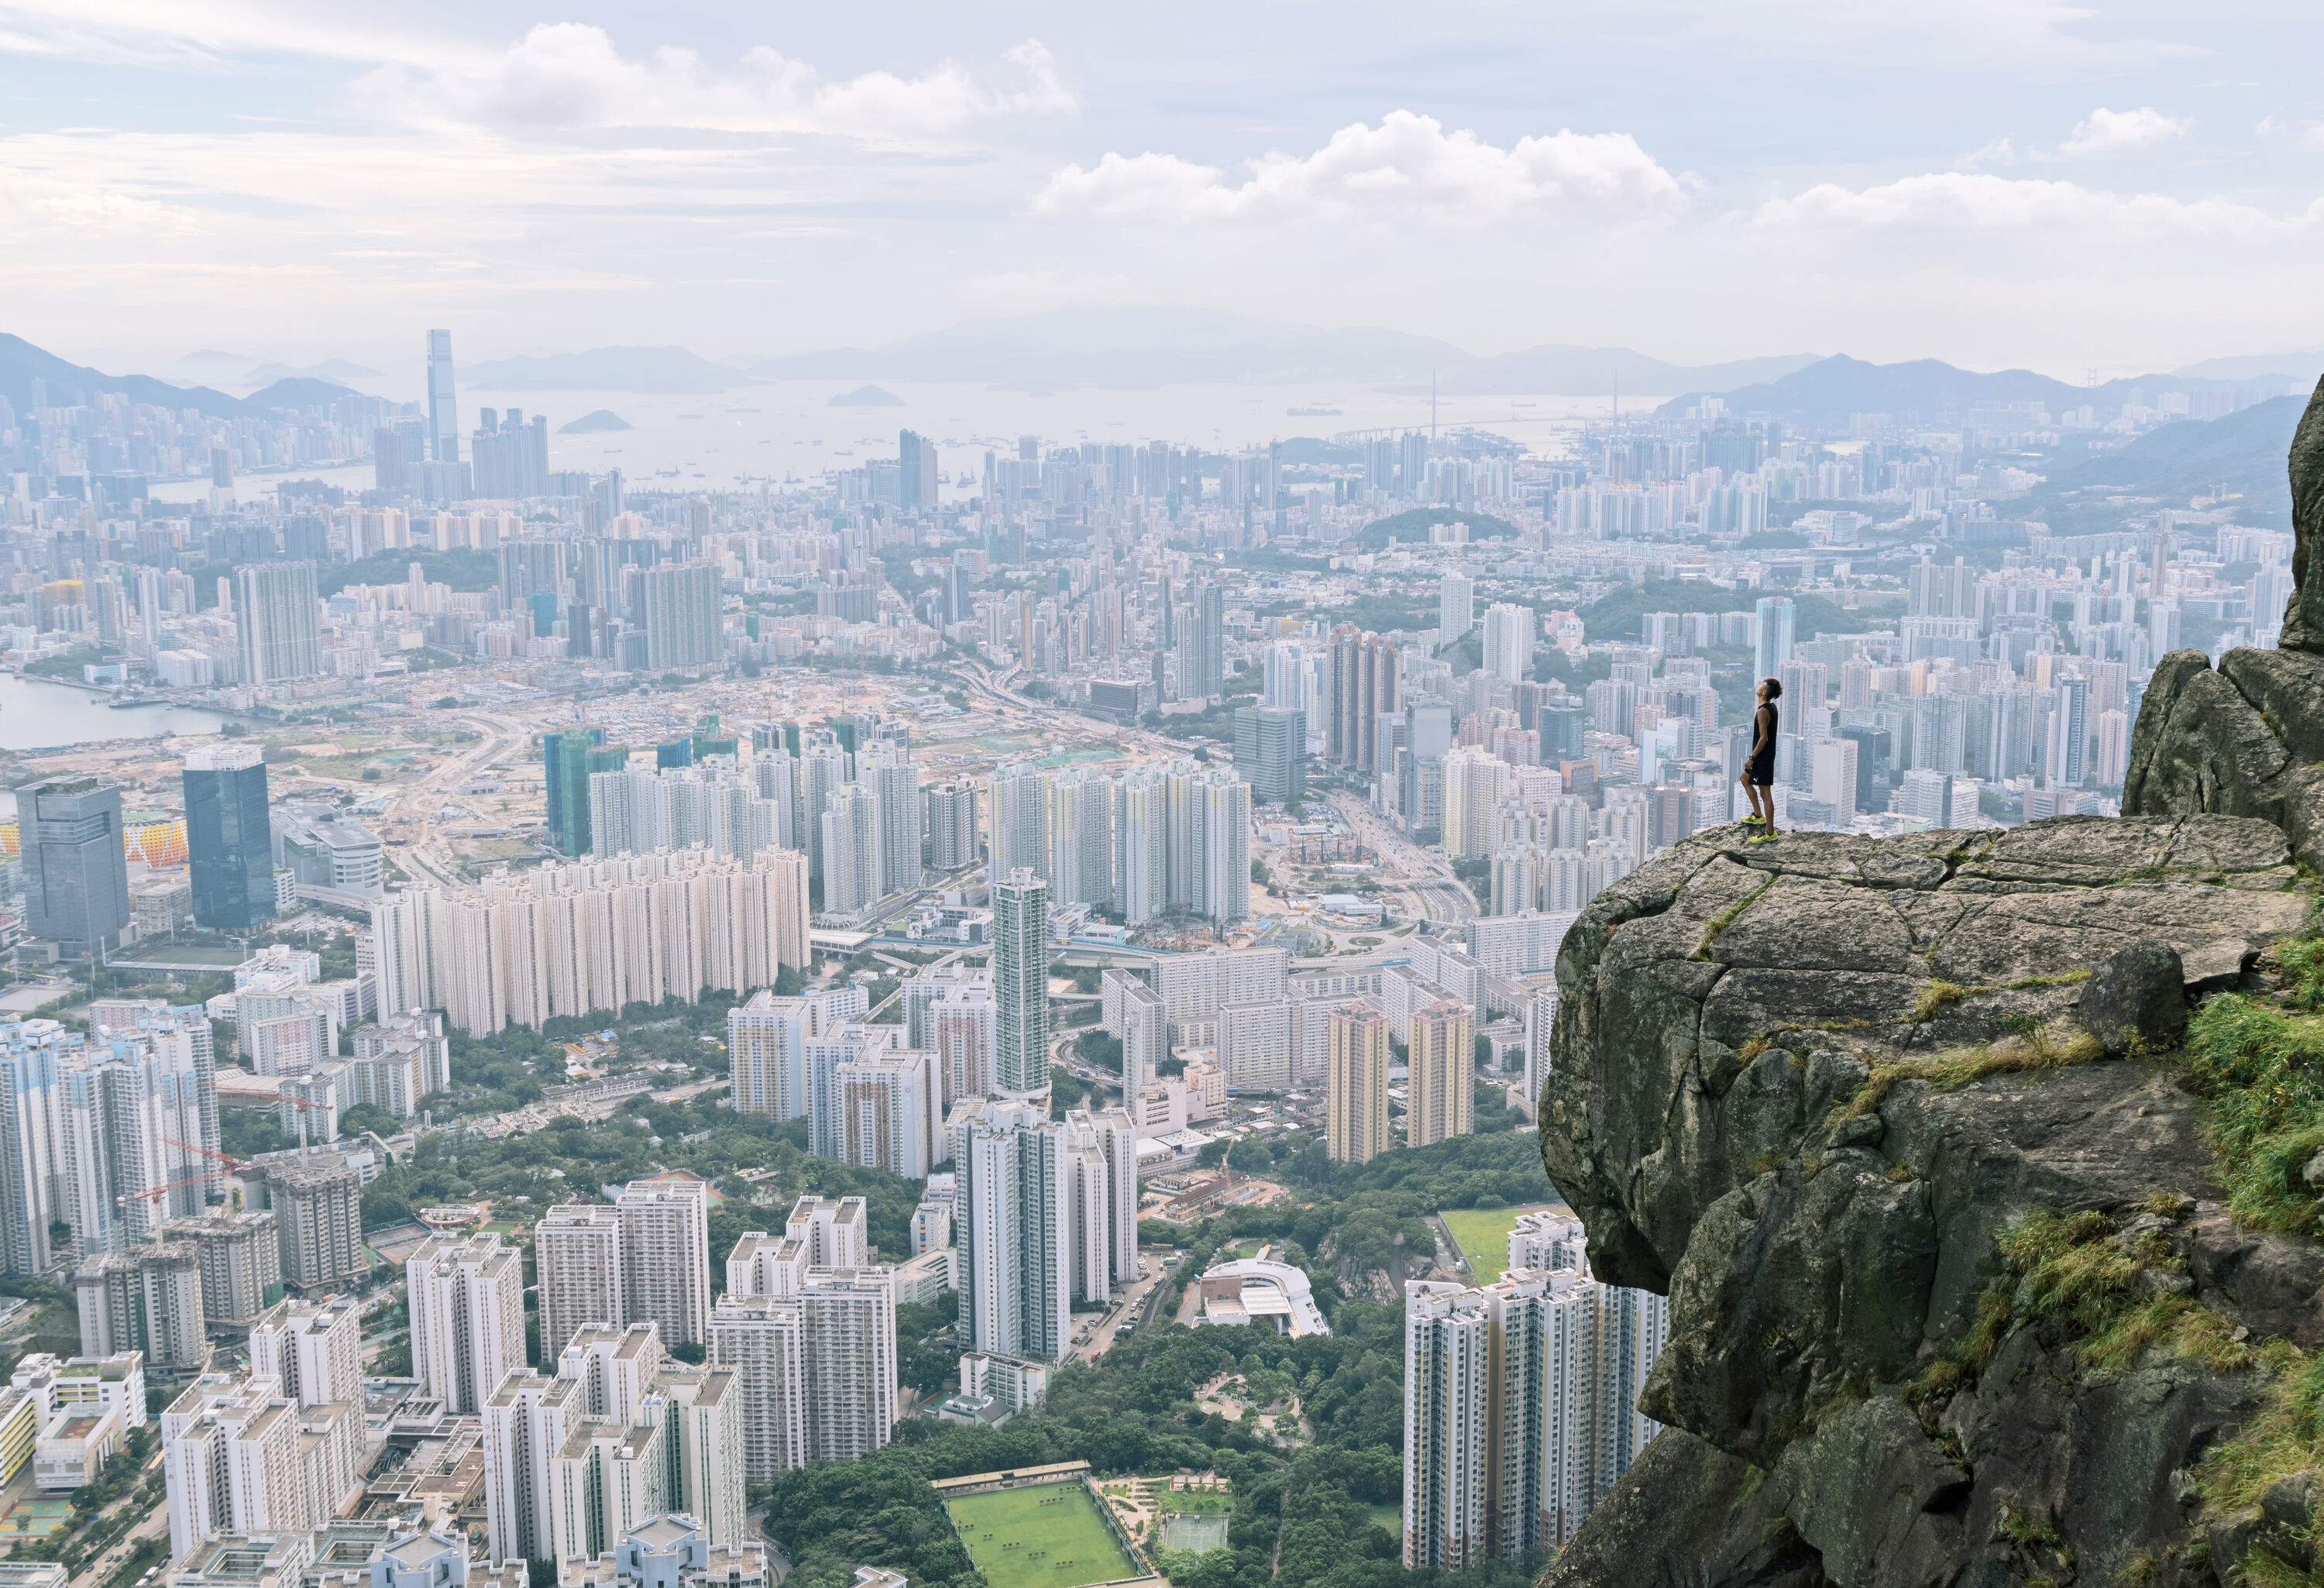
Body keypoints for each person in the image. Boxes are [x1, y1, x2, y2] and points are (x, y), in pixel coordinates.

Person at [1738, 677, 1782, 842]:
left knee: (1765, 794)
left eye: (1762, 684)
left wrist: (1751, 758)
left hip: (1762, 757)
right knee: (1744, 778)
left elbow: (1763, 738)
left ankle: (1770, 833)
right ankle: (1758, 815)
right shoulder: (1771, 707)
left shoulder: (1762, 711)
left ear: (1764, 692)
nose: (1759, 685)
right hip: (1765, 756)